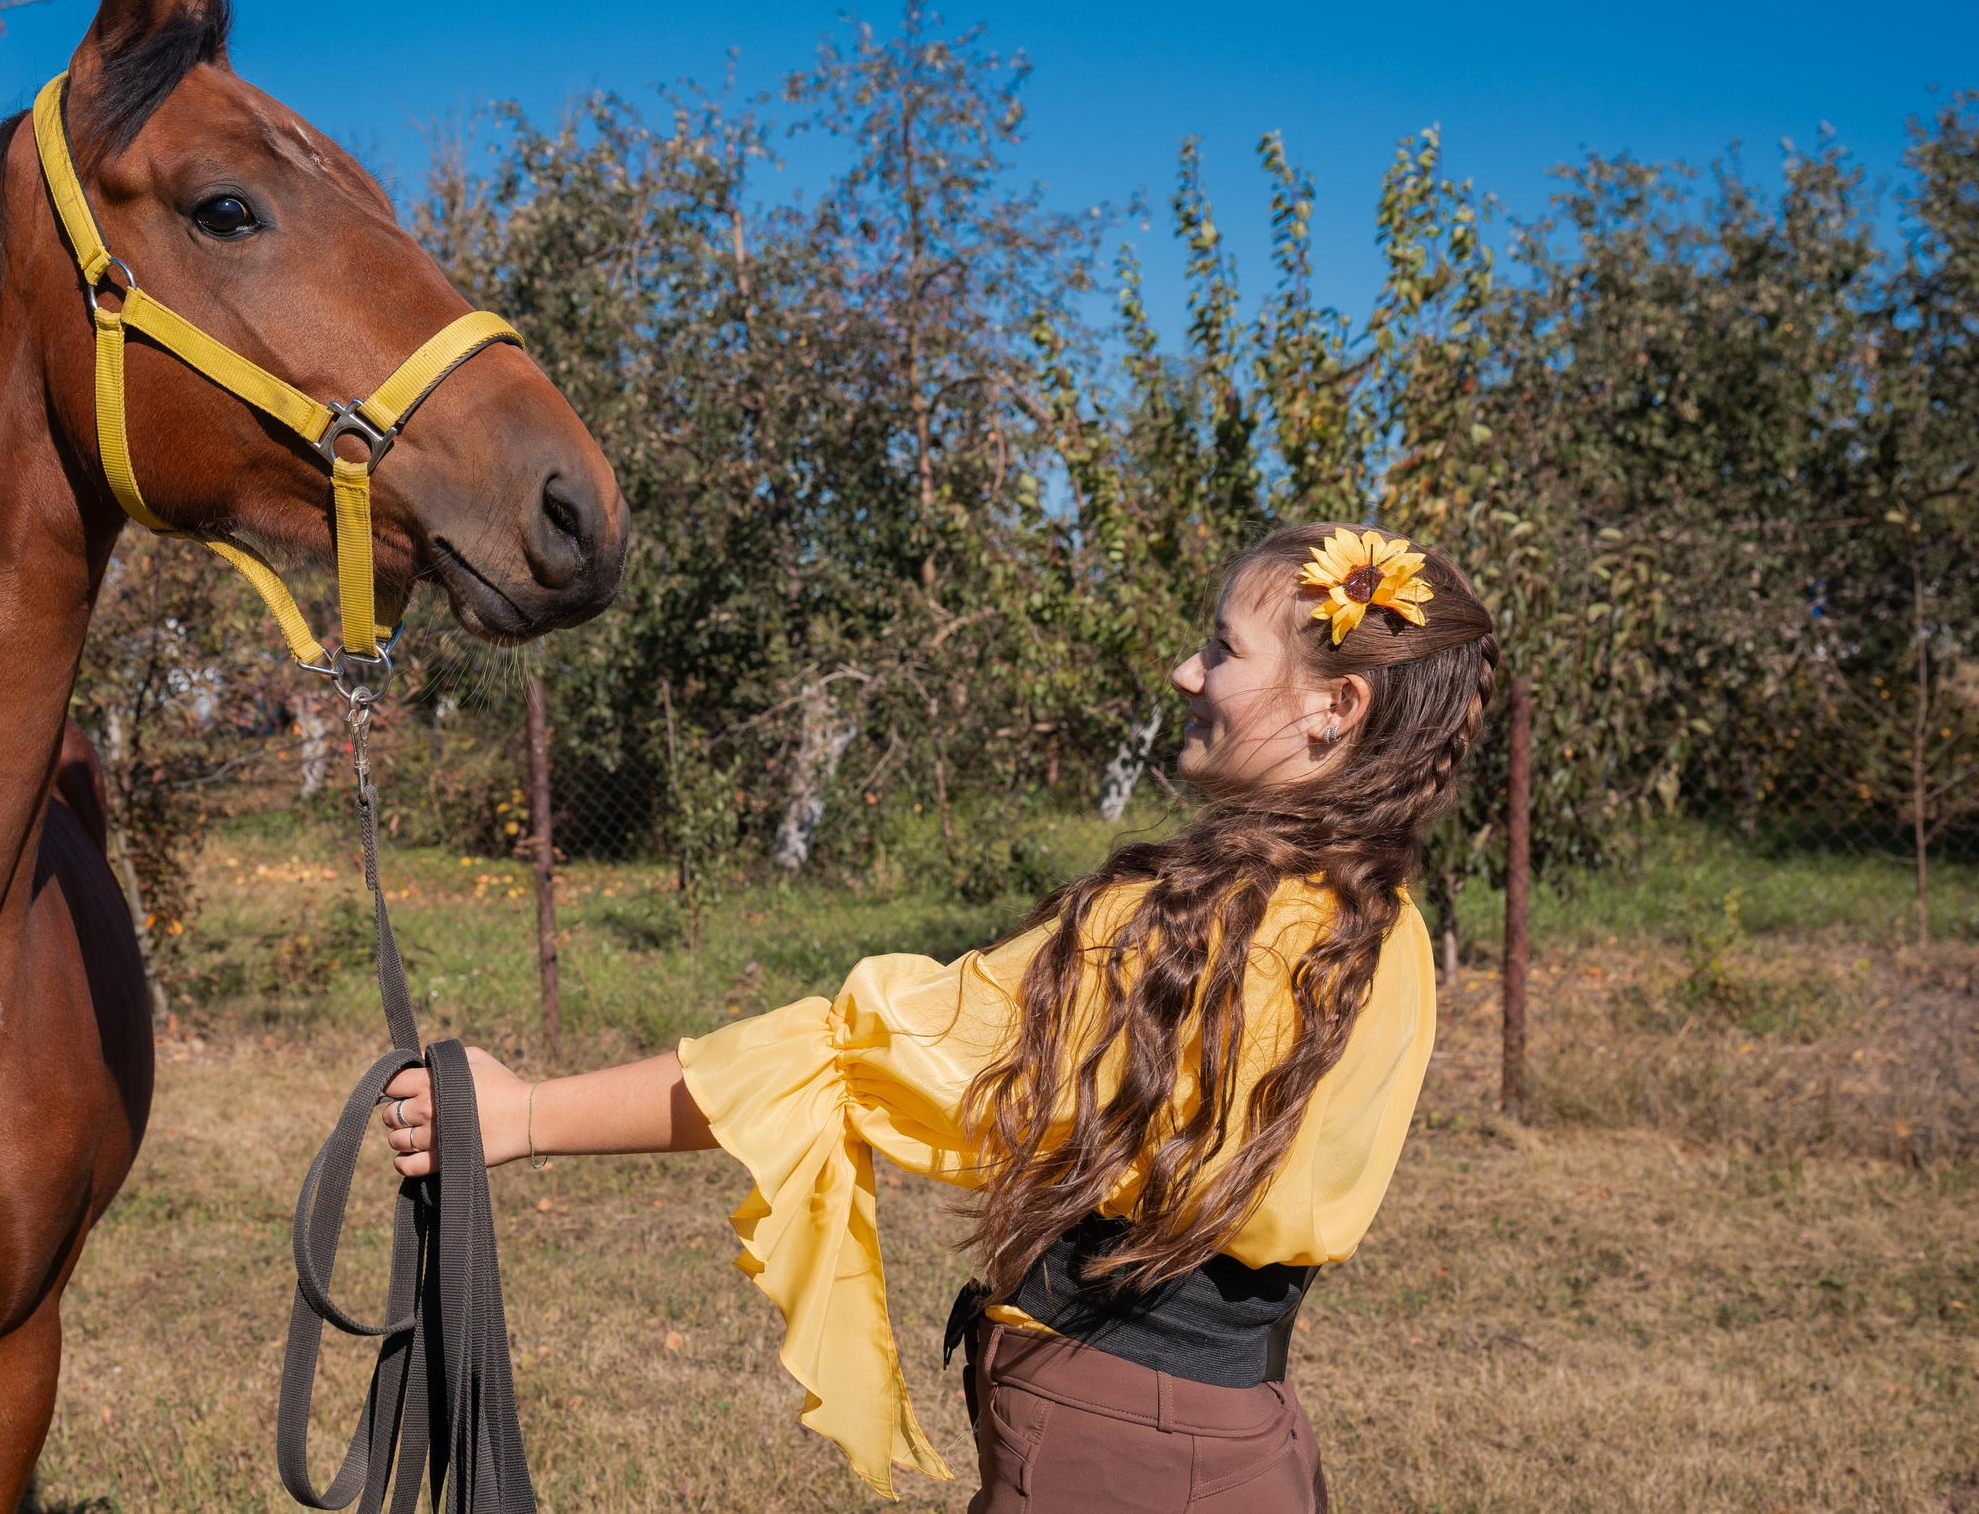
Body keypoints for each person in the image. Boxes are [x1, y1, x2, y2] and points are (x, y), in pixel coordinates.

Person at [375, 523, 1498, 1512]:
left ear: (1332, 707)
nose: (1182, 669)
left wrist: (520, 1114)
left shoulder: (1167, 931)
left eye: (1221, 648)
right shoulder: (1382, 931)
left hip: (1117, 1447)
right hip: (1245, 1433)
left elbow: (845, 1058)